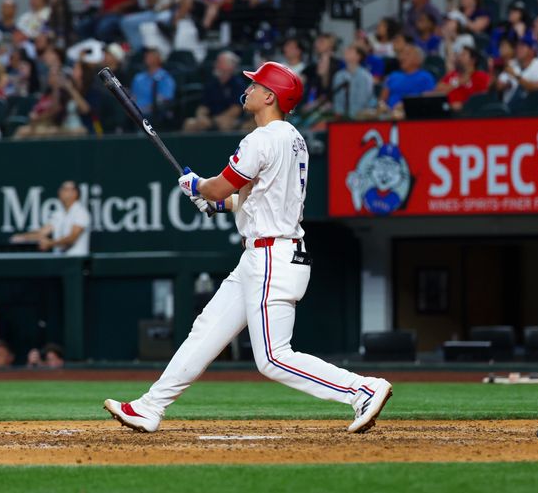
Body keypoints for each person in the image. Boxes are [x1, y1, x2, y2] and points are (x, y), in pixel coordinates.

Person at [103, 61, 393, 434]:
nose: (250, 89)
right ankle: (150, 406)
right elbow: (250, 198)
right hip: (264, 254)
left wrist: (199, 186)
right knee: (206, 330)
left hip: (272, 256)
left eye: (256, 85)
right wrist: (215, 200)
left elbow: (220, 186)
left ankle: (362, 389)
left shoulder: (262, 138)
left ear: (270, 96)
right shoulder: (293, 138)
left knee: (273, 358)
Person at [10, 181, 91, 255]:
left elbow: (72, 238)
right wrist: (23, 237)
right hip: (61, 264)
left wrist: (50, 243)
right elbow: (42, 233)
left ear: (75, 193)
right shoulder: (58, 214)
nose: (60, 191)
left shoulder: (81, 213)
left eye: (65, 189)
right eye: (61, 189)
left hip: (77, 263)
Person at [183, 50, 244, 132]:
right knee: (189, 123)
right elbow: (203, 106)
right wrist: (201, 117)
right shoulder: (211, 83)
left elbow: (236, 109)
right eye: (217, 62)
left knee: (225, 124)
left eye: (220, 62)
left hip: (229, 119)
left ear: (231, 66)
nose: (216, 65)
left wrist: (217, 119)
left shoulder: (237, 83)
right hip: (211, 119)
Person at [495, 33, 538, 113]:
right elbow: (499, 85)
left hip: (536, 113)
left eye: (522, 46)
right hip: (511, 112)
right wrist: (505, 85)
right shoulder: (512, 64)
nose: (518, 49)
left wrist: (516, 77)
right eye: (517, 46)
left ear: (531, 50)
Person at [378, 43, 435, 118]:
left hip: (412, 116)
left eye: (407, 54)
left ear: (418, 60)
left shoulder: (425, 77)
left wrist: (406, 105)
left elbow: (427, 102)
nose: (402, 57)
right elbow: (382, 100)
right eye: (401, 54)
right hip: (388, 115)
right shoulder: (393, 76)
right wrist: (382, 106)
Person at [436, 44, 490, 111]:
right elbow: (438, 89)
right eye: (459, 55)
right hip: (447, 112)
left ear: (473, 60)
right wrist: (456, 84)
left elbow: (484, 99)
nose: (459, 57)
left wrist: (464, 106)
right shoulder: (453, 75)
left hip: (469, 115)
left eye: (463, 55)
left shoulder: (481, 76)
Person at [130, 48, 175, 123]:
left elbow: (165, 99)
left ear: (158, 59)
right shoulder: (138, 78)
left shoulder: (165, 77)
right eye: (147, 55)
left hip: (153, 114)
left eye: (151, 55)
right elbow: (133, 96)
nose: (147, 57)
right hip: (135, 113)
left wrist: (146, 108)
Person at [332, 44, 375, 119]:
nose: (346, 52)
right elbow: (337, 99)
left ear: (358, 56)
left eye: (350, 50)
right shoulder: (338, 75)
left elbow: (362, 101)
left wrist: (351, 118)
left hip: (361, 118)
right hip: (341, 119)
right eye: (347, 50)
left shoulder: (365, 76)